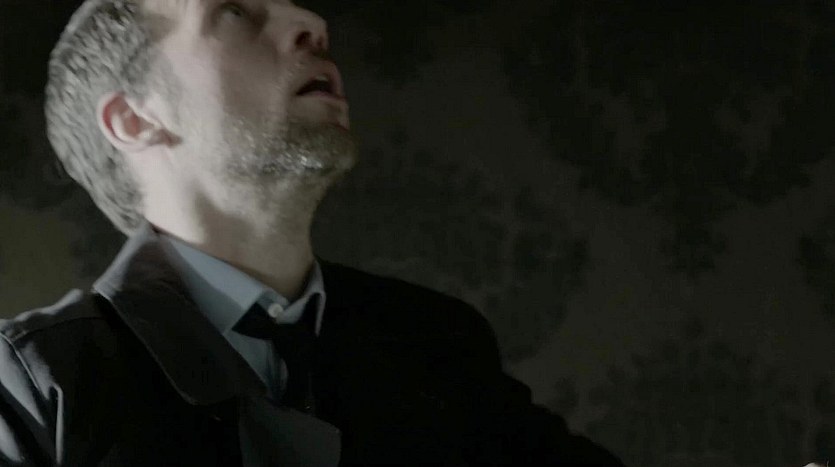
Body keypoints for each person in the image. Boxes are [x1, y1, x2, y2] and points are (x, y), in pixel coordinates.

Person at [0, 0, 625, 465]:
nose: (312, 23)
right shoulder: (30, 383)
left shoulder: (441, 344)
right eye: (234, 10)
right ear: (134, 119)